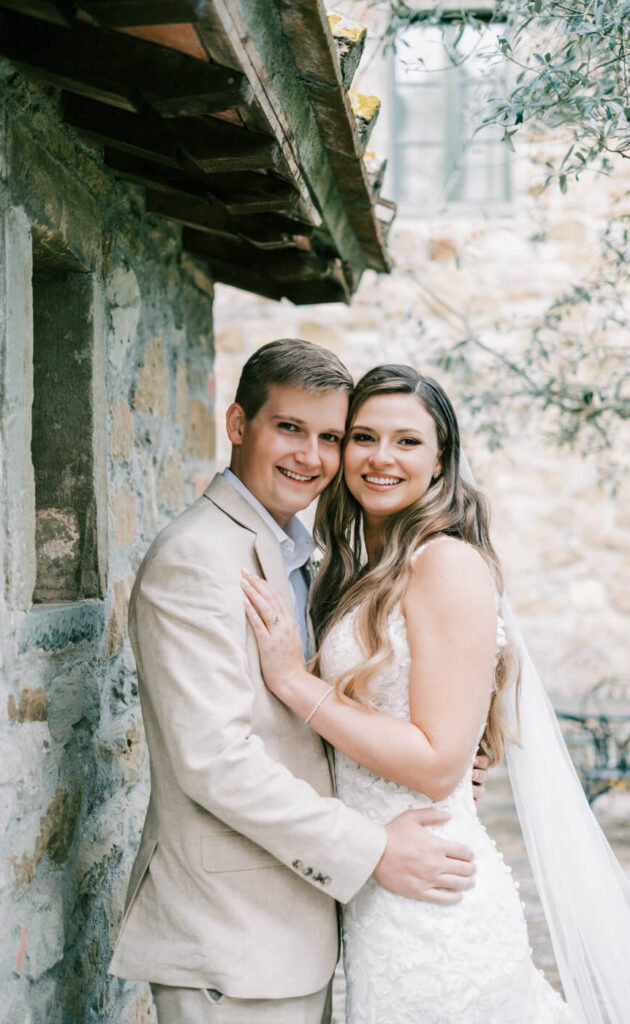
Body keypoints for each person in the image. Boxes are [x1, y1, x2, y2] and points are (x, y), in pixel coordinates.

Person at [243, 364, 630, 1024]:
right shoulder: (357, 569)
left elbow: (439, 762)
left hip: (436, 909)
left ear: (441, 459)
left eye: (407, 441)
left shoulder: (445, 562)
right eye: (363, 437)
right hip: (383, 893)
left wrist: (294, 682)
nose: (381, 458)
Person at [109, 342, 489, 1024]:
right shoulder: (197, 559)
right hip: (232, 937)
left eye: (330, 437)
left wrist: (430, 765)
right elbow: (214, 762)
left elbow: (307, 725)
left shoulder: (300, 555)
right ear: (237, 425)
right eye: (289, 428)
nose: (311, 457)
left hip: (293, 932)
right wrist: (373, 847)